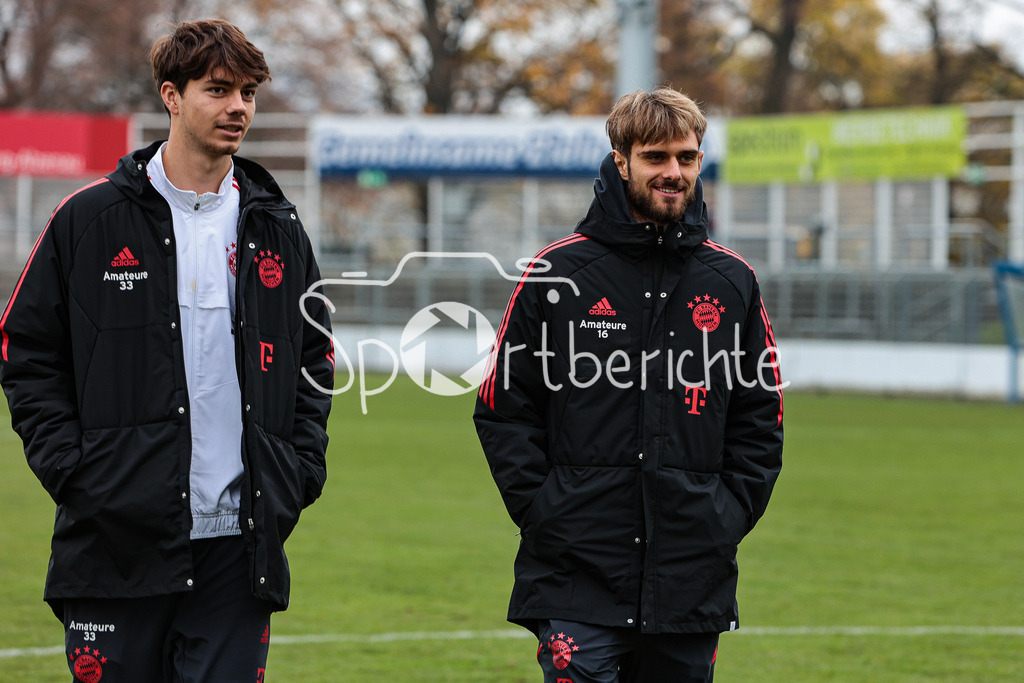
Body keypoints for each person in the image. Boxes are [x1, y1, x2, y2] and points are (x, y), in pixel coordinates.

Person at [0, 19, 334, 682]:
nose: (237, 106)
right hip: (116, 538)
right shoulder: (88, 219)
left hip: (239, 548)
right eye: (218, 89)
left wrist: (296, 472)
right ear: (171, 96)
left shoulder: (277, 225)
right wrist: (77, 472)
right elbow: (26, 348)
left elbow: (314, 361)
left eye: (247, 92)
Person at [474, 88, 783, 682]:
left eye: (687, 158)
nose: (674, 173)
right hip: (575, 571)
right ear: (621, 160)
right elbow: (503, 408)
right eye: (656, 157)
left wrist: (726, 514)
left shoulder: (732, 280)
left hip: (690, 574)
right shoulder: (556, 274)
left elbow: (760, 414)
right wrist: (547, 509)